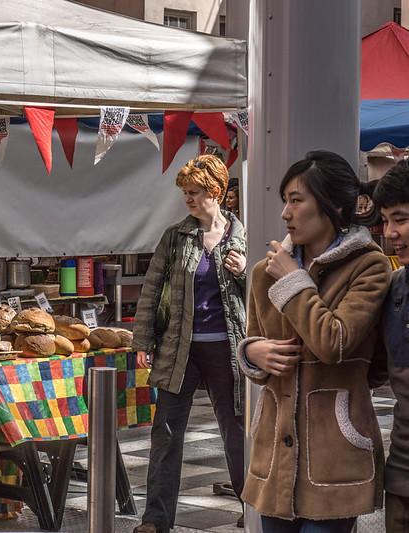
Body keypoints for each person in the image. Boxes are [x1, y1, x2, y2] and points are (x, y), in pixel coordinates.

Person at [237, 150, 390, 533]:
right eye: (284, 201)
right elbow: (255, 341)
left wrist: (293, 282)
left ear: (334, 206)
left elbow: (332, 343)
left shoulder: (369, 266)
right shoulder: (264, 272)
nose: (285, 213)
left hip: (335, 453)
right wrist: (252, 353)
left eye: (296, 200)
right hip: (273, 454)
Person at [131, 154, 247, 533]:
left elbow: (264, 291)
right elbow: (151, 289)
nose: (188, 200)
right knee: (165, 434)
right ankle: (155, 520)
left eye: (194, 192)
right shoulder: (175, 236)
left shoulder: (243, 235)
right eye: (185, 193)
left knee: (237, 432)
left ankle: (254, 509)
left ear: (216, 192)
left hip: (228, 349)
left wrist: (246, 271)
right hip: (179, 348)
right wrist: (143, 339)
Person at [372, 160, 409, 533]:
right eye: (385, 221)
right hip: (401, 473)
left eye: (401, 219)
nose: (391, 233)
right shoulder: (394, 288)